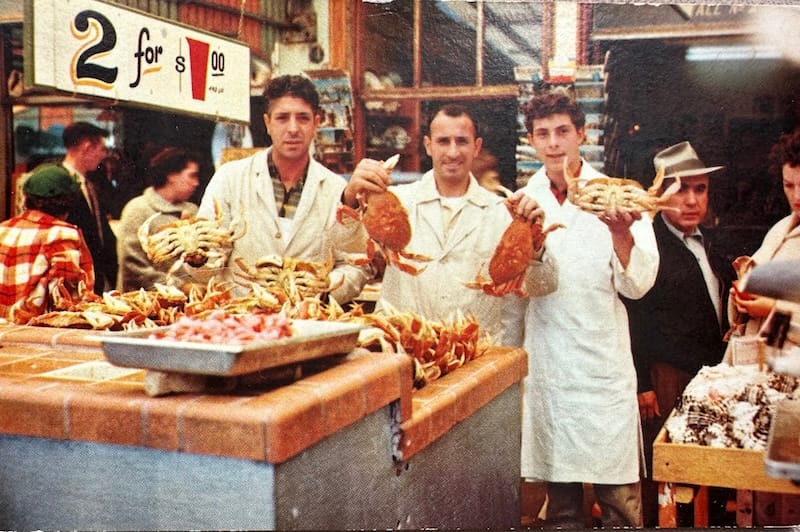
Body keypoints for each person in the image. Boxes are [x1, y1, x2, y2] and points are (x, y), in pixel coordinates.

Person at [517, 92, 658, 528]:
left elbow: (639, 285)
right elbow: (521, 285)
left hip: (601, 369)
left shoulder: (616, 196)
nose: (554, 143)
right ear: (532, 141)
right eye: (543, 134)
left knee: (620, 503)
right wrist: (530, 243)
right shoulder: (524, 201)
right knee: (561, 509)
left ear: (582, 133)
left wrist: (620, 235)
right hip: (550, 369)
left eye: (563, 131)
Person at [342, 103, 553, 346]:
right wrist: (350, 199)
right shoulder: (395, 200)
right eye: (443, 141)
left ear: (477, 146)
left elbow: (544, 284)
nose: (453, 152)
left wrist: (537, 245)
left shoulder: (504, 213)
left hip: (474, 356)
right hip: (401, 347)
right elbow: (347, 250)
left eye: (462, 141)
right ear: (428, 146)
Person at [622, 141, 730, 527]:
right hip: (665, 379)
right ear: (659, 193)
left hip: (707, 378)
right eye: (680, 189)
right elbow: (632, 312)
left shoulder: (707, 243)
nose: (690, 200)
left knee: (707, 478)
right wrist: (641, 382)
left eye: (699, 189)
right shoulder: (650, 243)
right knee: (665, 479)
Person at [195, 74, 371, 303]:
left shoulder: (336, 190)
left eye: (303, 118)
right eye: (282, 118)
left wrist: (328, 287)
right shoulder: (230, 179)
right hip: (242, 322)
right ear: (267, 123)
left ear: (317, 123)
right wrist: (197, 259)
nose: (293, 128)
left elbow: (355, 264)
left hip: (309, 323)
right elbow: (206, 263)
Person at [728, 127, 800, 354]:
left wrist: (772, 310)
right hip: (759, 359)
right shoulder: (780, 229)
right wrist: (742, 300)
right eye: (789, 185)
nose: (797, 197)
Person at [0, 164, 95, 323]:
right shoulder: (63, 234)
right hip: (35, 334)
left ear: (26, 198)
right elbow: (68, 301)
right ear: (69, 201)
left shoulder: (3, 229)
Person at [116, 147, 201, 292]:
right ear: (172, 175)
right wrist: (181, 287)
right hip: (143, 303)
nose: (196, 183)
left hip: (190, 304)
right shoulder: (138, 209)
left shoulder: (193, 210)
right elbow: (132, 267)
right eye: (192, 176)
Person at [61, 121, 118, 295]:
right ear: (87, 147)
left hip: (95, 278)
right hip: (71, 279)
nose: (103, 156)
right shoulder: (58, 184)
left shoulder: (91, 185)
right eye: (101, 149)